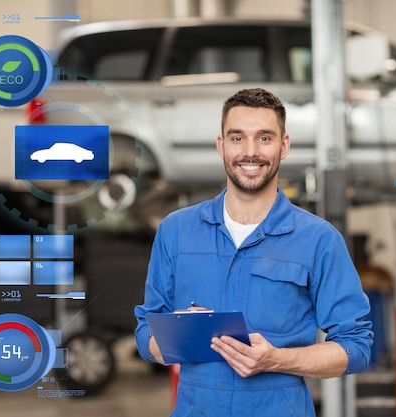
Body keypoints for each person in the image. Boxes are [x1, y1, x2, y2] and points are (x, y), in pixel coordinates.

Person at [134, 88, 373, 416]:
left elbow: (356, 346)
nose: (250, 152)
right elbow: (146, 332)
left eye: (264, 138)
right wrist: (182, 337)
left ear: (283, 146)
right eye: (237, 138)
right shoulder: (176, 231)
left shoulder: (318, 240)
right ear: (221, 146)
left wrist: (278, 359)